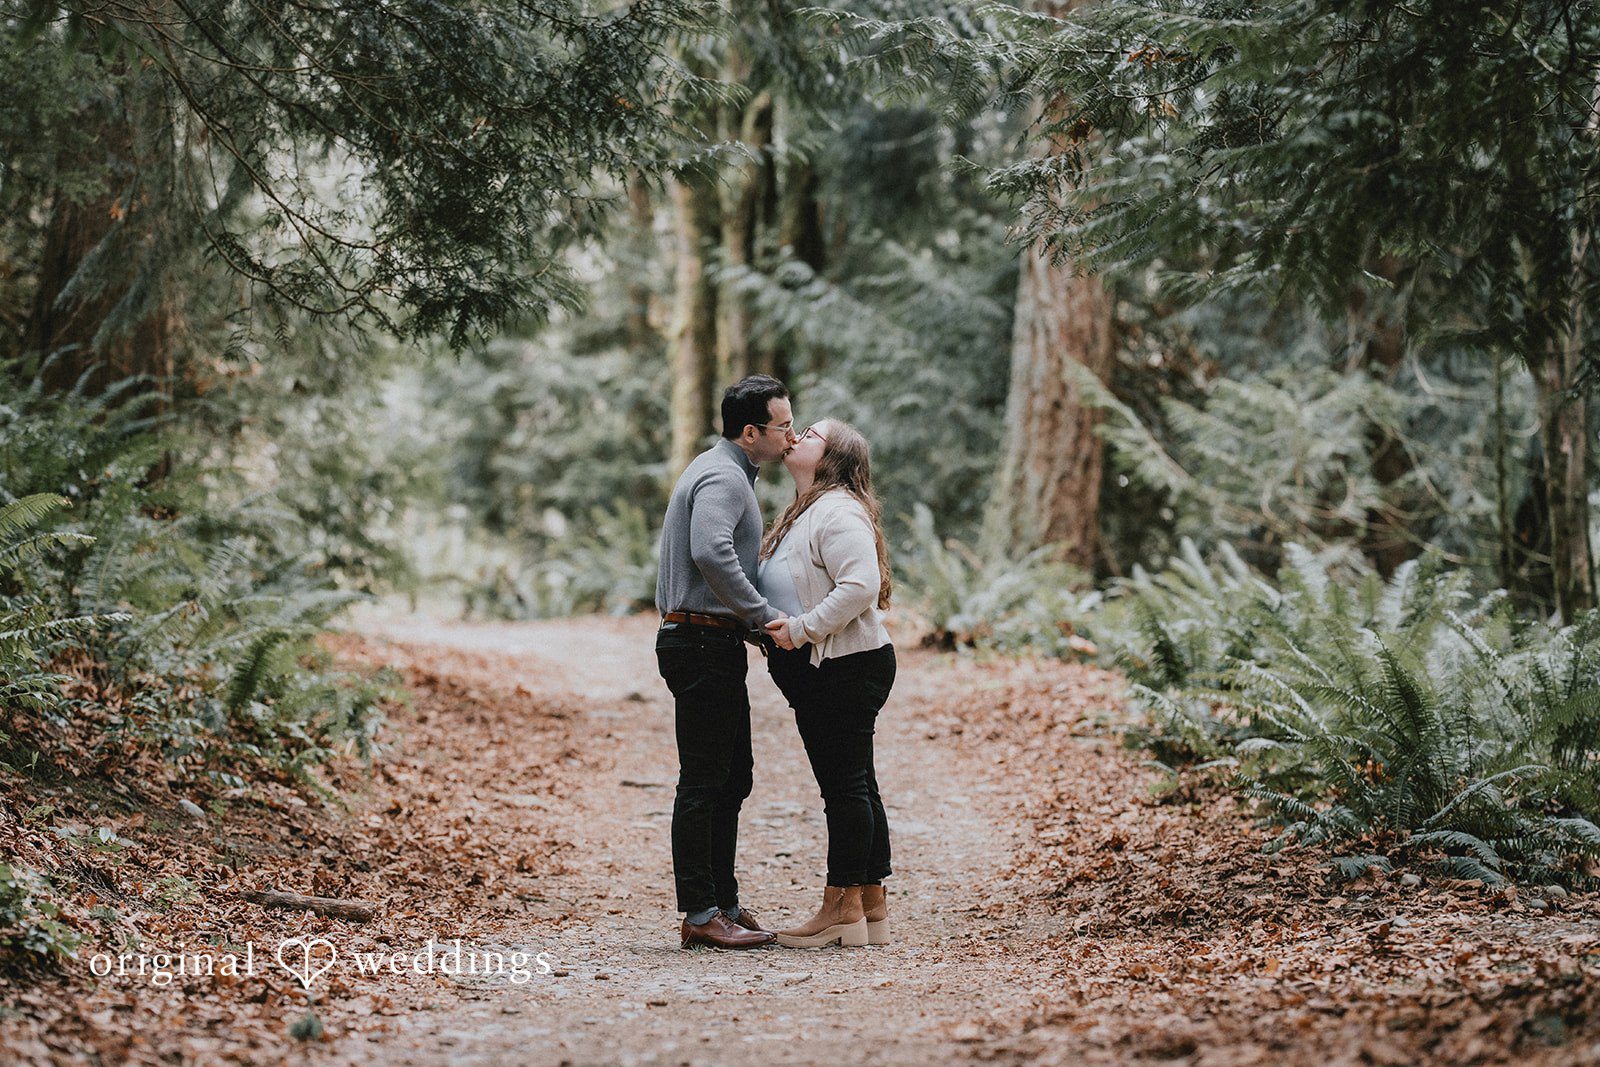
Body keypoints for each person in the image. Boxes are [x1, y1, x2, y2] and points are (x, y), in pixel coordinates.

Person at [655, 374, 794, 949]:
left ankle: (724, 902)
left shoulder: (726, 470)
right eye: (782, 426)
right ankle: (700, 913)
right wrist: (761, 614)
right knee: (706, 780)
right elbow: (709, 549)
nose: (790, 436)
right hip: (700, 642)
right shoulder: (723, 476)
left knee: (732, 777)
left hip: (711, 640)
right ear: (750, 431)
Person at [757, 419, 896, 949]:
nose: (795, 436)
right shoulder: (810, 511)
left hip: (844, 666)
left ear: (832, 457)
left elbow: (860, 585)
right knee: (857, 782)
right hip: (836, 666)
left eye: (810, 432)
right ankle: (869, 903)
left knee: (844, 788)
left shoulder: (836, 510)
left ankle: (840, 909)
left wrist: (800, 629)